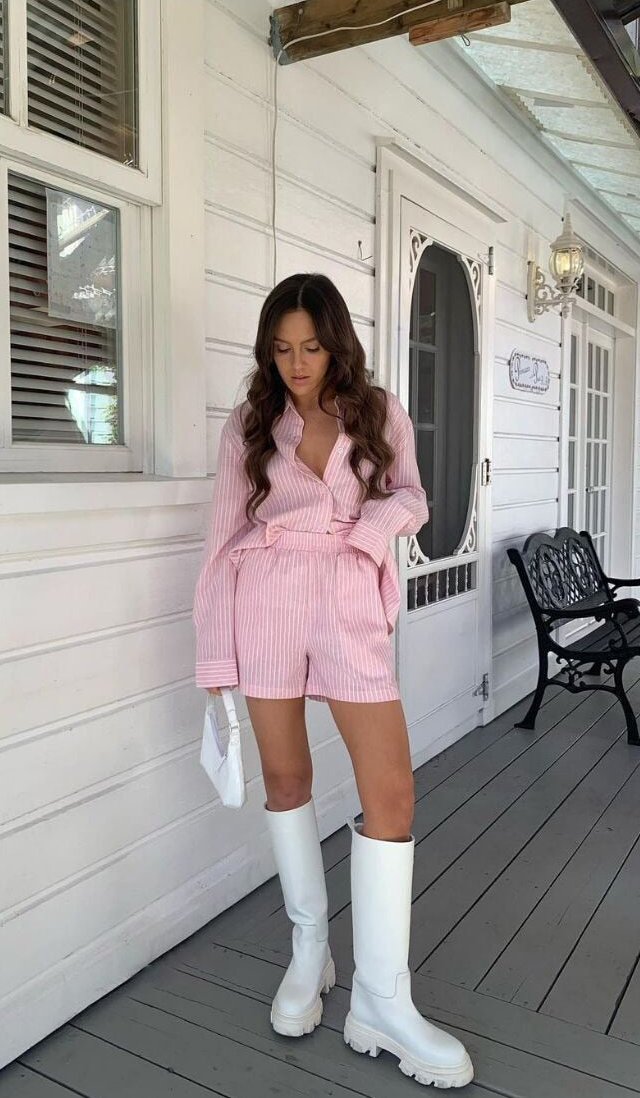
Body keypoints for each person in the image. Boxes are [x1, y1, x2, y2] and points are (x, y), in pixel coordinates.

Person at [192, 273, 474, 1088]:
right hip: (267, 596)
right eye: (281, 349)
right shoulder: (250, 424)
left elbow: (412, 497)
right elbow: (220, 541)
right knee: (287, 778)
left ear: (336, 342)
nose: (296, 363)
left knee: (390, 793)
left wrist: (366, 534)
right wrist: (215, 660)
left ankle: (381, 1000)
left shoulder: (377, 412)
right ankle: (309, 950)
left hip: (346, 600)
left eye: (310, 346)